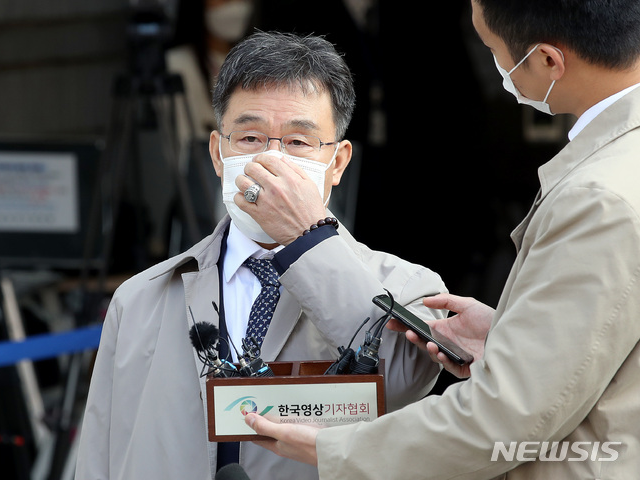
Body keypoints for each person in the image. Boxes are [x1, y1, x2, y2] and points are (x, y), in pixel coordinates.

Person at [243, 1, 640, 479]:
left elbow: (503, 420)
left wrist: (337, 448)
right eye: (249, 137)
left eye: (494, 51)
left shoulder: (599, 200)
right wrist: (517, 334)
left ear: (548, 60)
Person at [74, 31, 448, 479]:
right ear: (218, 152)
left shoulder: (407, 290)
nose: (272, 162)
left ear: (339, 163)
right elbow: (99, 455)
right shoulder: (141, 299)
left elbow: (403, 377)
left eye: (298, 142)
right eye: (250, 137)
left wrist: (304, 237)